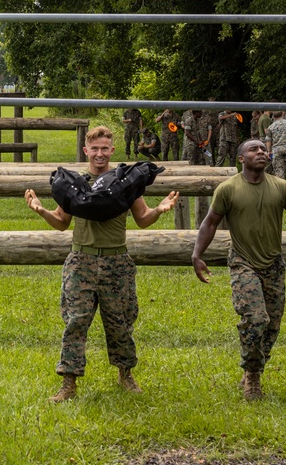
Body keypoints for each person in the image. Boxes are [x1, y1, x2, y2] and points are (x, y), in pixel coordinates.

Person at [25, 126, 179, 402]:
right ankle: (68, 384)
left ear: (112, 151)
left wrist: (160, 210)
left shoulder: (124, 183)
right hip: (81, 260)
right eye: (94, 149)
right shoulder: (75, 186)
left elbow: (143, 219)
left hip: (116, 260)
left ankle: (125, 375)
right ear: (86, 151)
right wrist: (41, 210)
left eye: (104, 149)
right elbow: (62, 223)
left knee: (120, 321)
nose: (99, 154)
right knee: (76, 320)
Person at [191, 139, 286, 400]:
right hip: (243, 263)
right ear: (241, 159)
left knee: (271, 326)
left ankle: (254, 367)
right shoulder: (227, 190)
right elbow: (210, 223)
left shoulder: (281, 187)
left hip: (273, 265)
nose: (261, 152)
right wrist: (196, 255)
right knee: (255, 319)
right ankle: (252, 376)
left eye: (263, 149)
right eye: (253, 149)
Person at [264, 111, 286, 186]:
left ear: (273, 116)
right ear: (283, 114)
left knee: (279, 169)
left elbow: (268, 140)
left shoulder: (271, 126)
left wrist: (269, 151)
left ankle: (281, 187)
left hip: (277, 149)